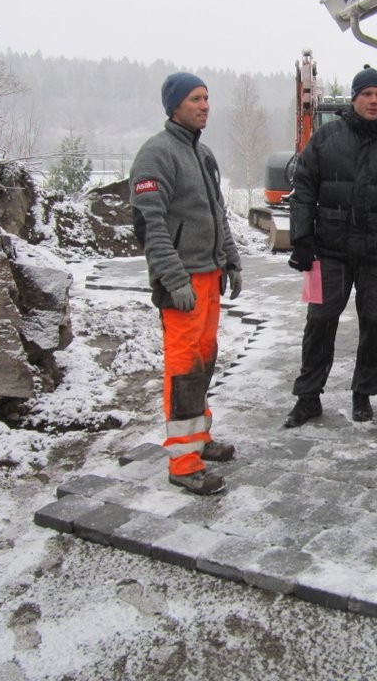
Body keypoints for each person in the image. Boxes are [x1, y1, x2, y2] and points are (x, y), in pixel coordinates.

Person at [283, 65, 377, 427]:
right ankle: (308, 397)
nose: (374, 100)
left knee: (375, 323)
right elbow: (303, 190)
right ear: (354, 98)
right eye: (367, 94)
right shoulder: (327, 138)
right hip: (328, 252)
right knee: (319, 321)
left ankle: (363, 393)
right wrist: (301, 240)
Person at [129, 72, 243, 496]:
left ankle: (200, 438)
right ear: (174, 105)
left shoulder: (203, 154)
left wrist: (231, 260)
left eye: (207, 98)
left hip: (209, 277)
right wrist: (174, 278)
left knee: (204, 361)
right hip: (181, 282)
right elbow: (150, 224)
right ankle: (183, 462)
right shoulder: (156, 155)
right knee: (183, 369)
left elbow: (217, 212)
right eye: (195, 99)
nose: (204, 105)